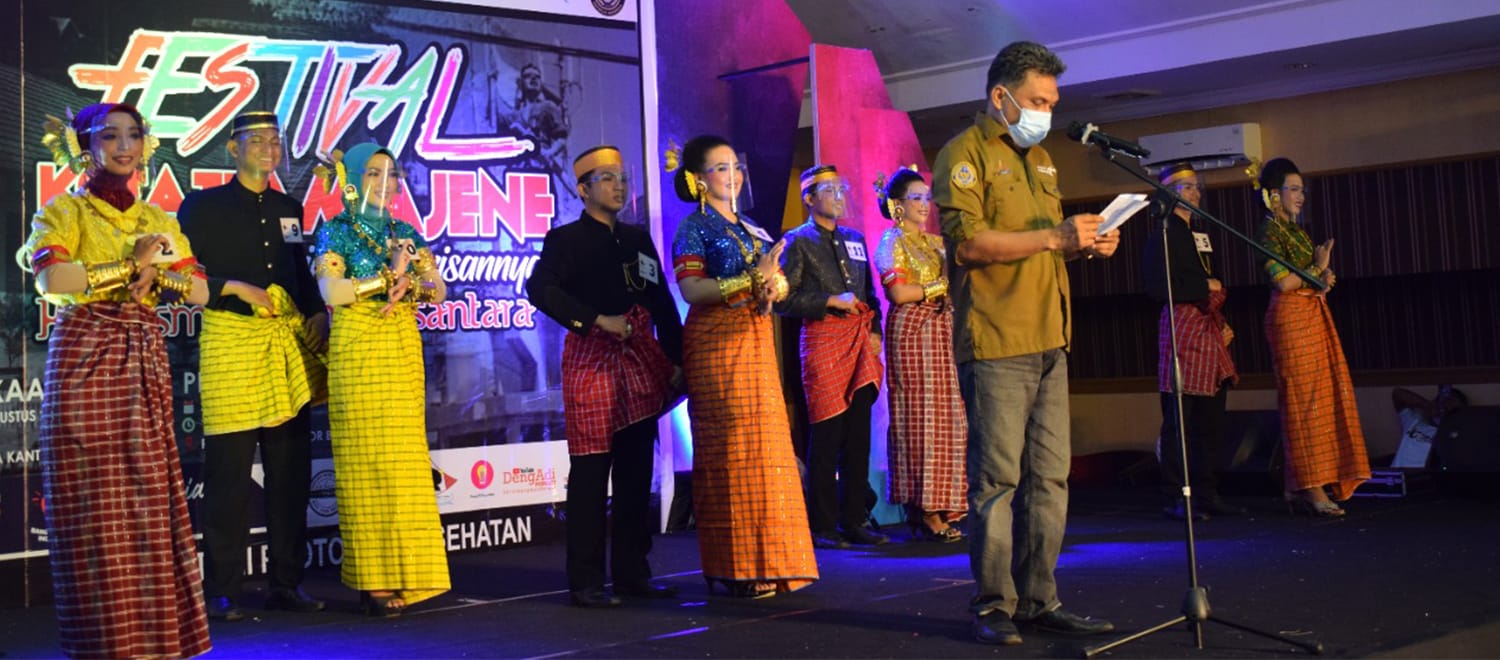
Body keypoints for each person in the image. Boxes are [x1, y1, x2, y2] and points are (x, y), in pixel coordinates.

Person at [931, 41, 1120, 646]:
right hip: (997, 340)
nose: (1046, 112)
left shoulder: (1040, 158)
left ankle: (1040, 599)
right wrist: (1055, 238)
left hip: (1050, 337)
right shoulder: (964, 153)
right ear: (1001, 96)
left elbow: (1046, 244)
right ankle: (993, 604)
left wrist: (1084, 245)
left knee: (1051, 479)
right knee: (997, 482)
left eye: (1052, 102)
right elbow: (968, 245)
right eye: (1038, 101)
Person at [21, 103, 212, 658]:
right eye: (110, 136)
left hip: (142, 360)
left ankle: (155, 640)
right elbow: (52, 279)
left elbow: (199, 291)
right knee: (92, 505)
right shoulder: (65, 211)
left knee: (148, 499)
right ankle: (104, 643)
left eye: (134, 135)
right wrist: (132, 267)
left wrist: (158, 273)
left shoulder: (157, 218)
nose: (125, 146)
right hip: (84, 360)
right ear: (86, 146)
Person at [178, 110, 329, 621]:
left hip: (285, 346)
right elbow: (181, 275)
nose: (269, 148)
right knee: (229, 475)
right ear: (232, 148)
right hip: (231, 343)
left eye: (275, 141)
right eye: (257, 140)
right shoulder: (202, 206)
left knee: (290, 472)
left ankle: (287, 583)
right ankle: (222, 589)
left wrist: (316, 312)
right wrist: (233, 288)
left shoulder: (290, 207)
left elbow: (300, 272)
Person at [526, 145, 685, 608]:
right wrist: (595, 319)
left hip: (640, 362)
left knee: (637, 473)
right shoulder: (565, 239)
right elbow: (539, 289)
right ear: (583, 189)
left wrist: (676, 358)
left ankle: (633, 573)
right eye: (607, 178)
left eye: (622, 178)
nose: (619, 186)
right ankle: (586, 581)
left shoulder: (637, 239)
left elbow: (661, 301)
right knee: (592, 473)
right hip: (592, 360)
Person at [668, 134, 817, 598]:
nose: (732, 176)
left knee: (767, 452)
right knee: (731, 453)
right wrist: (751, 279)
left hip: (756, 343)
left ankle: (773, 562)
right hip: (717, 346)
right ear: (698, 179)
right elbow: (692, 290)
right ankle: (734, 567)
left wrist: (774, 288)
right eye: (721, 168)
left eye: (735, 166)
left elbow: (777, 281)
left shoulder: (751, 228)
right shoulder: (693, 228)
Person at [310, 142, 451, 616]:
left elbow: (438, 290)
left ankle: (413, 574)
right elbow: (332, 292)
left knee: (405, 463)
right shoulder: (336, 230)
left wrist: (413, 284)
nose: (385, 184)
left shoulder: (405, 232)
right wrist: (385, 280)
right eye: (373, 173)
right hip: (357, 350)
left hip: (400, 347)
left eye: (391, 174)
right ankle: (373, 581)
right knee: (366, 461)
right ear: (351, 180)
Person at [776, 164, 887, 549]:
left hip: (859, 340)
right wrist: (828, 300)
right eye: (830, 190)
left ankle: (855, 518)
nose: (839, 197)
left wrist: (876, 331)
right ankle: (822, 524)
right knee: (826, 434)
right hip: (823, 341)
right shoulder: (797, 241)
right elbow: (784, 300)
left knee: (859, 434)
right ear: (809, 198)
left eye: (842, 189)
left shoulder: (855, 238)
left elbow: (870, 294)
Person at [1251, 157, 1370, 516]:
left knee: (1322, 399)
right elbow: (1283, 282)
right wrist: (1317, 268)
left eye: (1302, 189)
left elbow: (1307, 279)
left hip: (1312, 314)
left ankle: (1297, 485)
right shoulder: (1268, 232)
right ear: (1274, 195)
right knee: (1303, 402)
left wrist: (1323, 279)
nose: (1301, 196)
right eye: (1294, 189)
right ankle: (1312, 487)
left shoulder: (1298, 233)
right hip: (1290, 320)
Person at [1140, 162, 1244, 521]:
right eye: (1187, 187)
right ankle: (1176, 495)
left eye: (1197, 186)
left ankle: (1206, 492)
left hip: (1207, 327)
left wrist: (1215, 300)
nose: (1195, 193)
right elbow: (1158, 288)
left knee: (1210, 419)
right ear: (1168, 194)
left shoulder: (1199, 235)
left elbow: (1214, 280)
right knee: (1180, 419)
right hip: (1182, 328)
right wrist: (1205, 287)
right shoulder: (1162, 236)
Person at [872, 166, 968, 543]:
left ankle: (943, 504)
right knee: (920, 418)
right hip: (913, 332)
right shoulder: (891, 241)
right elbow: (898, 293)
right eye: (916, 198)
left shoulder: (935, 242)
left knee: (948, 418)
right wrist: (938, 287)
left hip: (941, 331)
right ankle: (924, 509)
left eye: (927, 198)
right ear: (897, 205)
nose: (924, 205)